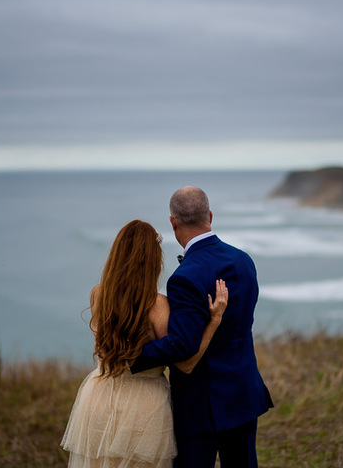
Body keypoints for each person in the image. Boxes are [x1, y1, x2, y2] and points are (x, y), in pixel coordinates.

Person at [61, 219, 229, 468]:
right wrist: (214, 320)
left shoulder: (99, 295)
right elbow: (186, 364)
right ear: (153, 260)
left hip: (99, 396)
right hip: (145, 406)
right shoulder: (159, 305)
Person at [131, 187, 273, 468]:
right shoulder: (243, 260)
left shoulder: (185, 277)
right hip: (244, 393)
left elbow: (182, 344)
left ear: (173, 223)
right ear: (209, 216)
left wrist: (133, 355)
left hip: (201, 406)